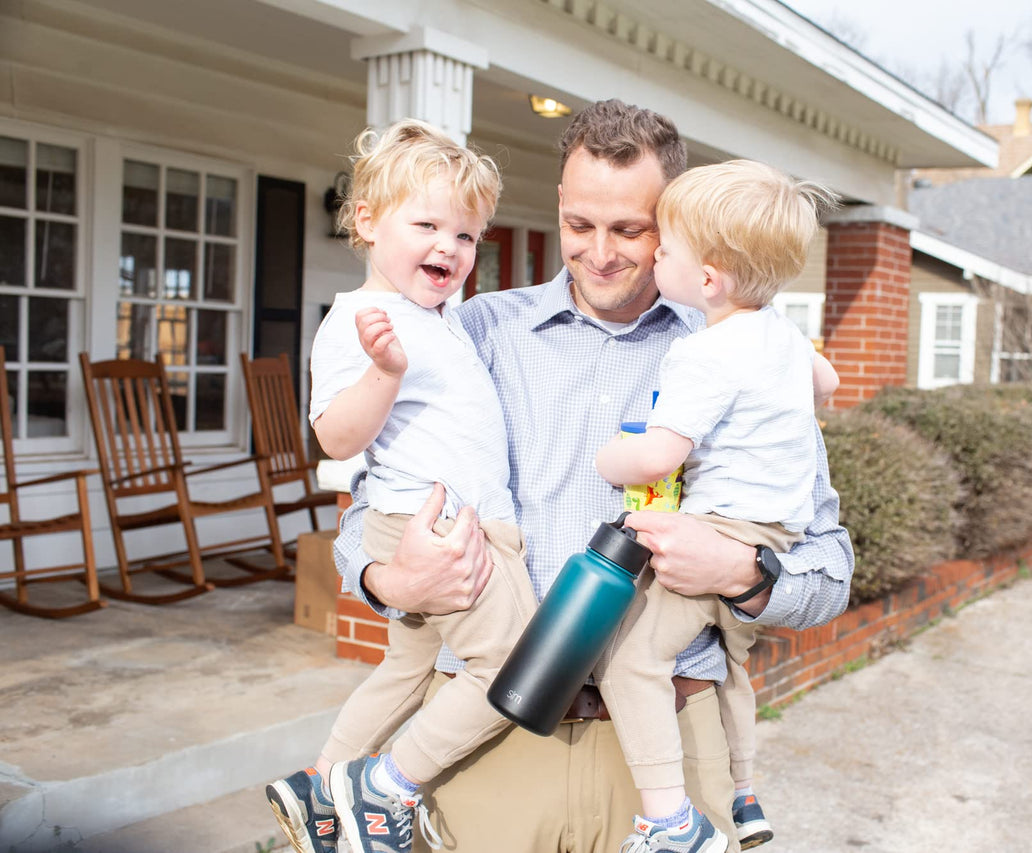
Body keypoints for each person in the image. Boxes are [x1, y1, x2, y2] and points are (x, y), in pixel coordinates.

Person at [309, 99, 852, 853]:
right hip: (490, 738)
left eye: (631, 229)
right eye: (579, 225)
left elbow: (829, 566)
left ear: (676, 221)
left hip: (665, 748)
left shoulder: (749, 353)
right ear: (559, 205)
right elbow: (371, 510)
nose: (599, 253)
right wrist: (389, 584)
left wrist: (743, 570)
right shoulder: (471, 334)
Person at [265, 118, 539, 853]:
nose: (448, 247)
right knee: (514, 665)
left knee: (409, 669)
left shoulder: (439, 316)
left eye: (466, 235)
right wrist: (384, 373)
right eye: (426, 224)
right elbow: (334, 437)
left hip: (445, 521)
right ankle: (388, 786)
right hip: (431, 527)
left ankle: (321, 782)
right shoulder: (362, 320)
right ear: (366, 221)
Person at [593, 159, 840, 853]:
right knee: (727, 659)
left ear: (708, 278)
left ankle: (671, 822)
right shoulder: (783, 335)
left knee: (630, 658)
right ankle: (744, 791)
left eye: (664, 246)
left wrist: (608, 456)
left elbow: (655, 456)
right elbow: (829, 379)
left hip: (719, 527)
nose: (653, 255)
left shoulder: (702, 353)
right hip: (777, 531)